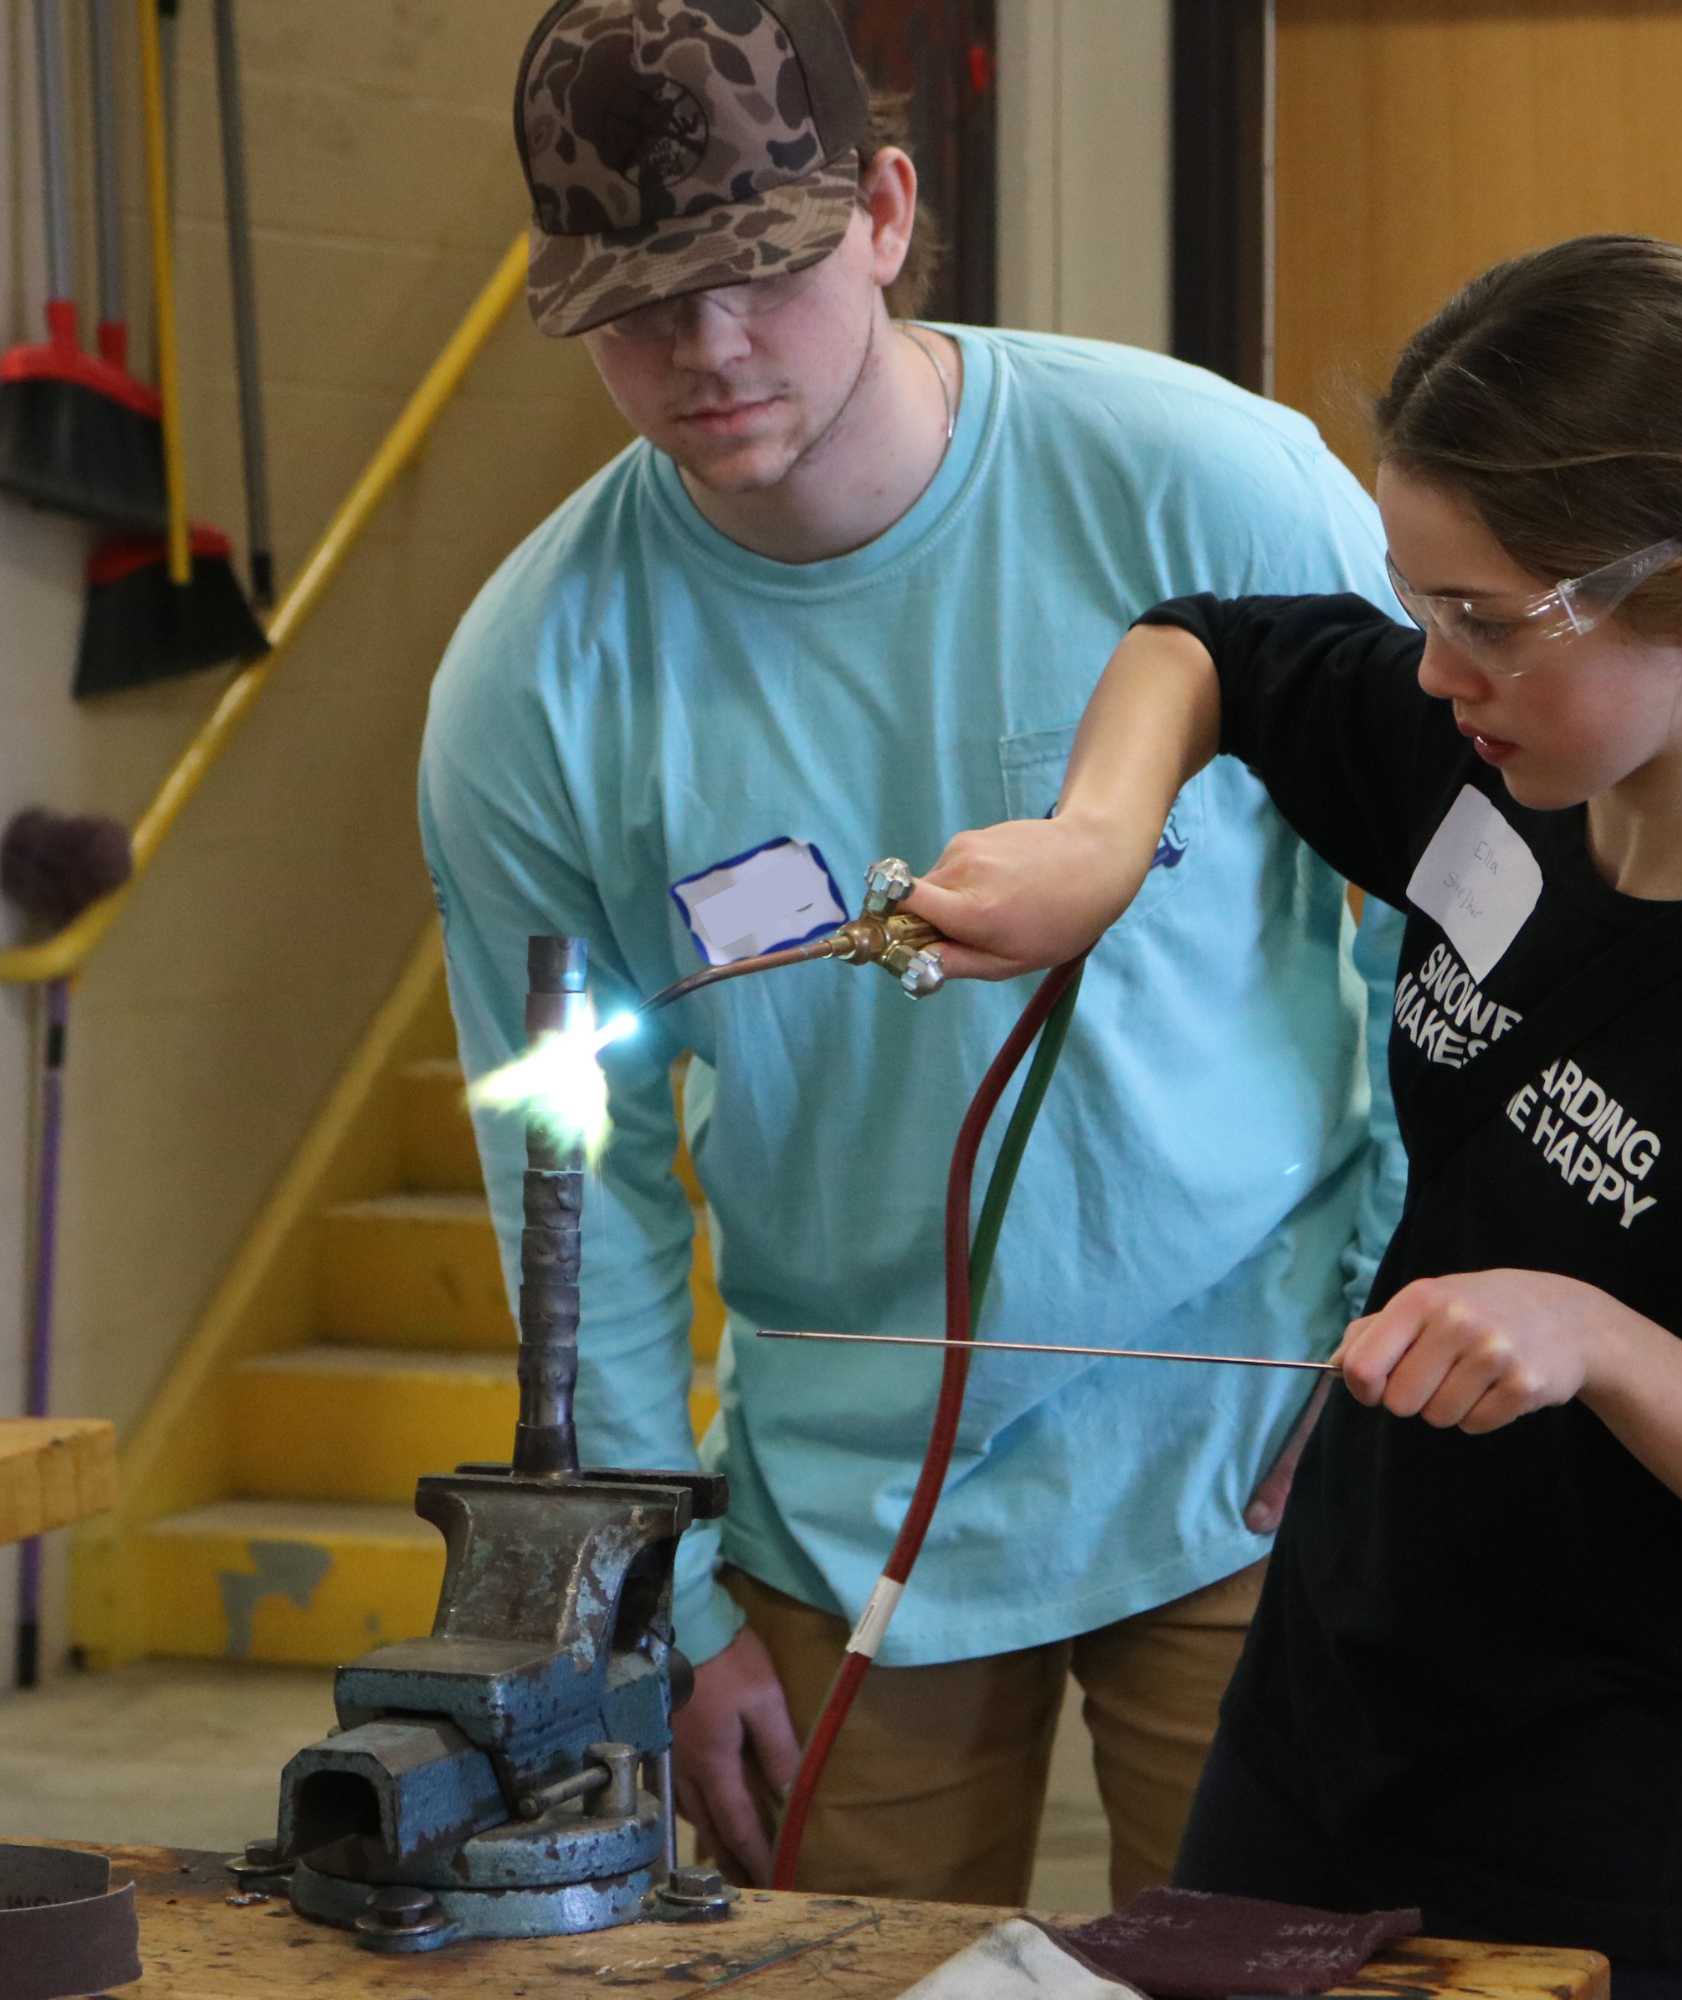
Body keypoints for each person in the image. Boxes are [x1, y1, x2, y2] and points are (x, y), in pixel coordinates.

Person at [909, 235, 1682, 1994]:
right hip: (1320, 1716)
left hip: (1601, 1816)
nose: (1434, 673)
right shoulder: (1502, 782)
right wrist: (1096, 848)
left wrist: (1607, 1344)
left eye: (1486, 622)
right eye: (1425, 610)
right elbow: (1210, 648)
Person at [421, 0, 1409, 1904]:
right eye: (638, 302)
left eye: (764, 272)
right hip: (845, 1502)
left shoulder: (1213, 487)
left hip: (1255, 1446)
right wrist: (663, 1593)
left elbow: (1455, 902)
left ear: (881, 211)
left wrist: (1398, 1296)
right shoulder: (535, 687)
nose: (706, 350)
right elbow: (572, 1165)